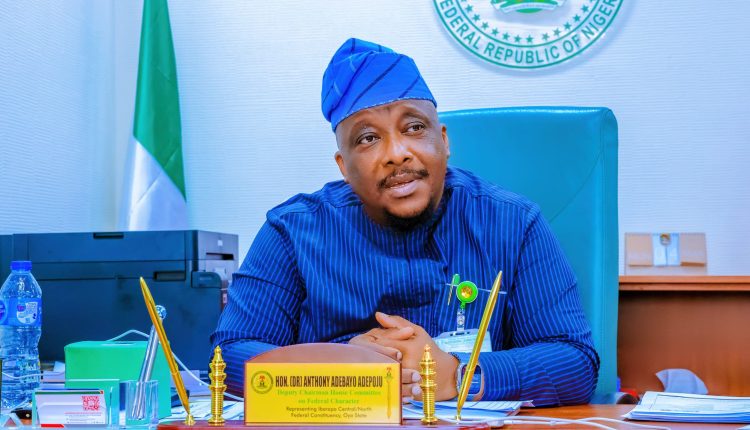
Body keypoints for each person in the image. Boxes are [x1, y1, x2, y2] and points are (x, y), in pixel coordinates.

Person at [211, 38, 599, 406]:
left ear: (444, 140)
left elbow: (575, 362)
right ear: (343, 167)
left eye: (414, 127)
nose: (397, 153)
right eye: (367, 138)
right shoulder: (292, 232)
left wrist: (459, 375)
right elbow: (228, 356)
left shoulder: (513, 222)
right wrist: (339, 368)